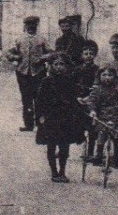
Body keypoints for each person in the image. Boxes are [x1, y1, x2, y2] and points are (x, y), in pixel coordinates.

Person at [34, 54, 83, 183]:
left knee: (64, 147)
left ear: (67, 67)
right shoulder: (46, 82)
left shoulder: (70, 82)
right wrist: (40, 116)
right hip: (50, 118)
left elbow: (74, 100)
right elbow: (39, 101)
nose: (59, 67)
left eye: (62, 64)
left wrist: (75, 113)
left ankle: (62, 171)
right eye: (56, 64)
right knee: (51, 146)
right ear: (51, 66)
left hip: (65, 118)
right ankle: (54, 172)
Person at [82, 65, 118, 171]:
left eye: (110, 75)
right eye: (104, 75)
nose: (107, 77)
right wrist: (92, 111)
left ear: (115, 77)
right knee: (101, 134)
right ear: (99, 76)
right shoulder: (97, 89)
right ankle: (99, 154)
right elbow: (92, 100)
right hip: (102, 117)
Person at [6, 16, 50, 132]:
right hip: (22, 73)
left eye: (33, 25)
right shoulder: (19, 39)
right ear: (25, 26)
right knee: (26, 99)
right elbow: (8, 53)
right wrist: (15, 57)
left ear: (37, 26)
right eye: (28, 25)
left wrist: (42, 59)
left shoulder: (42, 39)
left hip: (39, 73)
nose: (31, 27)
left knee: (39, 98)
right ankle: (28, 124)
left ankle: (40, 124)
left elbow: (50, 53)